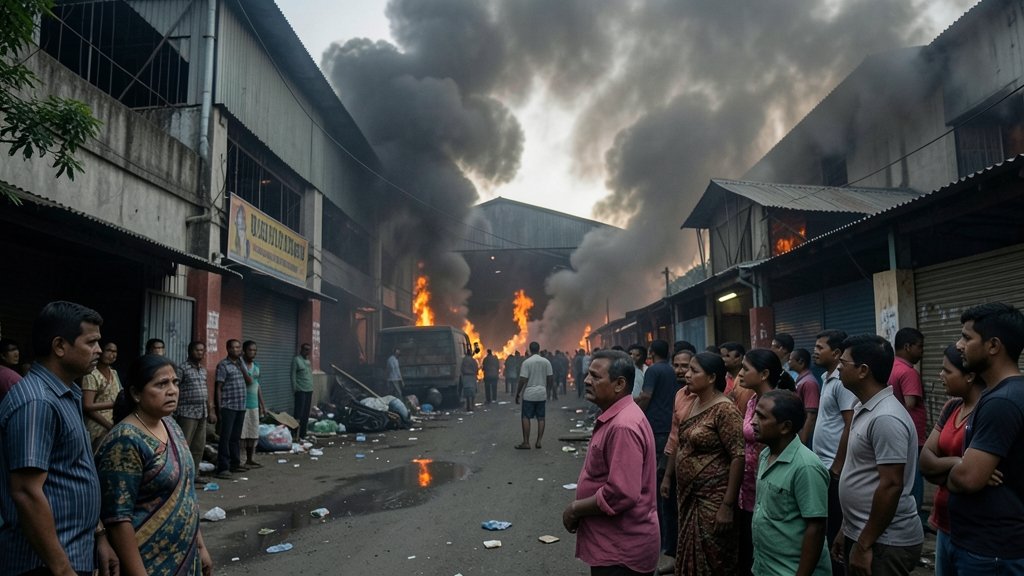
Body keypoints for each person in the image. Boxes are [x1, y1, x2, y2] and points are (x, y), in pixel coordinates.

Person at [0, 301, 118, 576]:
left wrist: (98, 535)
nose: (99, 351)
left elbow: (74, 471)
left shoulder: (67, 394)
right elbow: (26, 492)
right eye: (91, 342)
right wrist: (63, 569)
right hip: (42, 565)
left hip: (73, 553)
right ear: (60, 346)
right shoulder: (36, 402)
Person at [95, 354, 213, 576]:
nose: (172, 390)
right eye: (161, 384)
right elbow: (118, 519)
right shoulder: (126, 440)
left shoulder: (171, 425)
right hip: (148, 562)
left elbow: (187, 493)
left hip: (184, 555)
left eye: (175, 382)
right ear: (136, 393)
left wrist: (200, 547)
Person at [562, 349, 659, 575]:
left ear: (619, 384)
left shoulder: (623, 426)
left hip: (621, 554)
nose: (586, 381)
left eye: (596, 377)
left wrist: (575, 509)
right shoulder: (619, 416)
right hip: (614, 546)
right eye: (588, 375)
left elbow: (621, 493)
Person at [832, 334, 923, 575]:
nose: (839, 368)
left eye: (843, 362)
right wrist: (847, 529)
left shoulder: (886, 418)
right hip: (864, 533)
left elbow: (891, 485)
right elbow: (863, 474)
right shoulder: (864, 407)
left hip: (884, 542)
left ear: (863, 370)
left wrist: (863, 544)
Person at [947, 303, 1024, 571]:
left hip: (992, 552)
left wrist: (957, 467)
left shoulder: (1002, 401)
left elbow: (968, 478)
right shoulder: (1002, 394)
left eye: (967, 338)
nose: (959, 345)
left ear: (993, 346)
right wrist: (963, 464)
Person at [675, 352, 744, 575]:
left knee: (713, 559)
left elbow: (738, 455)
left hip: (713, 500)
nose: (687, 374)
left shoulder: (725, 409)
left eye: (694, 371)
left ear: (712, 377)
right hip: (690, 498)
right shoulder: (694, 402)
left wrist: (727, 505)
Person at [919, 343, 984, 576]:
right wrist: (957, 462)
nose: (940, 375)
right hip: (944, 525)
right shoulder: (952, 406)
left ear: (969, 376)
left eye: (947, 371)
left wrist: (943, 467)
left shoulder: (988, 412)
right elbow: (925, 461)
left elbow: (971, 478)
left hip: (975, 532)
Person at [750, 390, 831, 576]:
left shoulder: (806, 467)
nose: (753, 421)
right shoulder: (765, 455)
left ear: (785, 427)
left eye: (761, 417)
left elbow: (816, 527)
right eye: (755, 413)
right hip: (766, 567)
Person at [736, 348, 797, 574]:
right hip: (750, 484)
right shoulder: (753, 400)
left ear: (763, 374)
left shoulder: (776, 404)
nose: (740, 373)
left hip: (770, 481)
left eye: (745, 368)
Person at [811, 328, 854, 574]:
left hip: (835, 469)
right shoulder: (827, 377)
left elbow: (850, 424)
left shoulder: (841, 381)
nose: (815, 352)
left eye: (820, 348)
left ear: (836, 353)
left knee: (837, 529)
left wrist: (837, 466)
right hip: (824, 466)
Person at [636, 339, 678, 556]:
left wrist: (633, 414)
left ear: (651, 353)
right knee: (665, 484)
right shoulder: (672, 371)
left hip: (656, 429)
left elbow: (646, 396)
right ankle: (668, 537)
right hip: (669, 428)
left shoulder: (652, 371)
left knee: (657, 483)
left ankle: (660, 536)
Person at [888, 327, 927, 528]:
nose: (922, 352)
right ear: (907, 346)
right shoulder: (908, 372)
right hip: (913, 436)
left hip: (898, 434)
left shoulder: (892, 367)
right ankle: (916, 521)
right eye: (919, 347)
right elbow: (911, 403)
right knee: (915, 481)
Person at [660, 348, 697, 558]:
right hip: (674, 457)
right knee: (672, 511)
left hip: (696, 466)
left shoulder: (711, 399)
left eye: (686, 366)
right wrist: (666, 475)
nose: (681, 371)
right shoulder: (679, 394)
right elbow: (675, 436)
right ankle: (676, 557)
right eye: (676, 365)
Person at [213, 339, 251, 479]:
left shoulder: (241, 364)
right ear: (228, 349)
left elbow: (249, 381)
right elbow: (218, 388)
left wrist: (242, 367)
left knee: (235, 437)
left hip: (241, 406)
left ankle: (235, 464)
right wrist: (218, 408)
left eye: (238, 347)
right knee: (225, 438)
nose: (237, 349)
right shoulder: (223, 365)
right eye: (233, 347)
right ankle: (223, 467)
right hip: (228, 406)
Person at [175, 341, 210, 484]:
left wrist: (210, 409)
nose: (200, 353)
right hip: (187, 412)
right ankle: (181, 476)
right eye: (197, 350)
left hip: (202, 412)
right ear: (190, 351)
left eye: (202, 350)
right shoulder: (182, 368)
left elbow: (206, 390)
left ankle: (194, 475)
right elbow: (175, 388)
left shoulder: (203, 370)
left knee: (198, 446)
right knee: (184, 446)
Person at [82, 341, 123, 450]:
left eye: (115, 351)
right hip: (97, 426)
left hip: (114, 423)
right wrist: (113, 405)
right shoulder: (91, 375)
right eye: (108, 350)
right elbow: (87, 406)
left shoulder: (114, 373)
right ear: (100, 352)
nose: (112, 354)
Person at [515, 341, 552, 449]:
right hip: (541, 394)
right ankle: (539, 441)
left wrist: (518, 393)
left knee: (526, 417)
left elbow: (523, 379)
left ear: (530, 350)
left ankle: (526, 442)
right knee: (541, 418)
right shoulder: (546, 362)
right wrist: (548, 391)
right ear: (539, 349)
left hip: (529, 395)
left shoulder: (527, 362)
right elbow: (550, 378)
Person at [241, 341, 265, 468]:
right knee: (243, 434)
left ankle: (250, 458)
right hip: (242, 404)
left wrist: (262, 404)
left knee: (253, 432)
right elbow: (248, 381)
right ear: (244, 351)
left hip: (254, 404)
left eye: (255, 350)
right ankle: (242, 459)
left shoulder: (256, 365)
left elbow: (257, 385)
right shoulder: (240, 365)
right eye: (250, 350)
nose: (253, 353)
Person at [790, 348, 819, 446]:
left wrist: (803, 440)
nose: (789, 362)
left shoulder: (808, 383)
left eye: (791, 359)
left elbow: (811, 416)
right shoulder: (800, 380)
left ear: (801, 362)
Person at [721, 342, 754, 414]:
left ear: (739, 358)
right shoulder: (721, 379)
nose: (722, 359)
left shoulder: (750, 381)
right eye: (721, 356)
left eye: (727, 356)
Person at [292, 343, 313, 440]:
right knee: (298, 413)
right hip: (300, 390)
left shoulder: (308, 361)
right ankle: (295, 434)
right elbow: (292, 375)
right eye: (305, 349)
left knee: (306, 413)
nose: (307, 351)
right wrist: (294, 388)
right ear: (301, 349)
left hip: (309, 389)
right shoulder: (296, 360)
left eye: (308, 350)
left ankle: (303, 434)